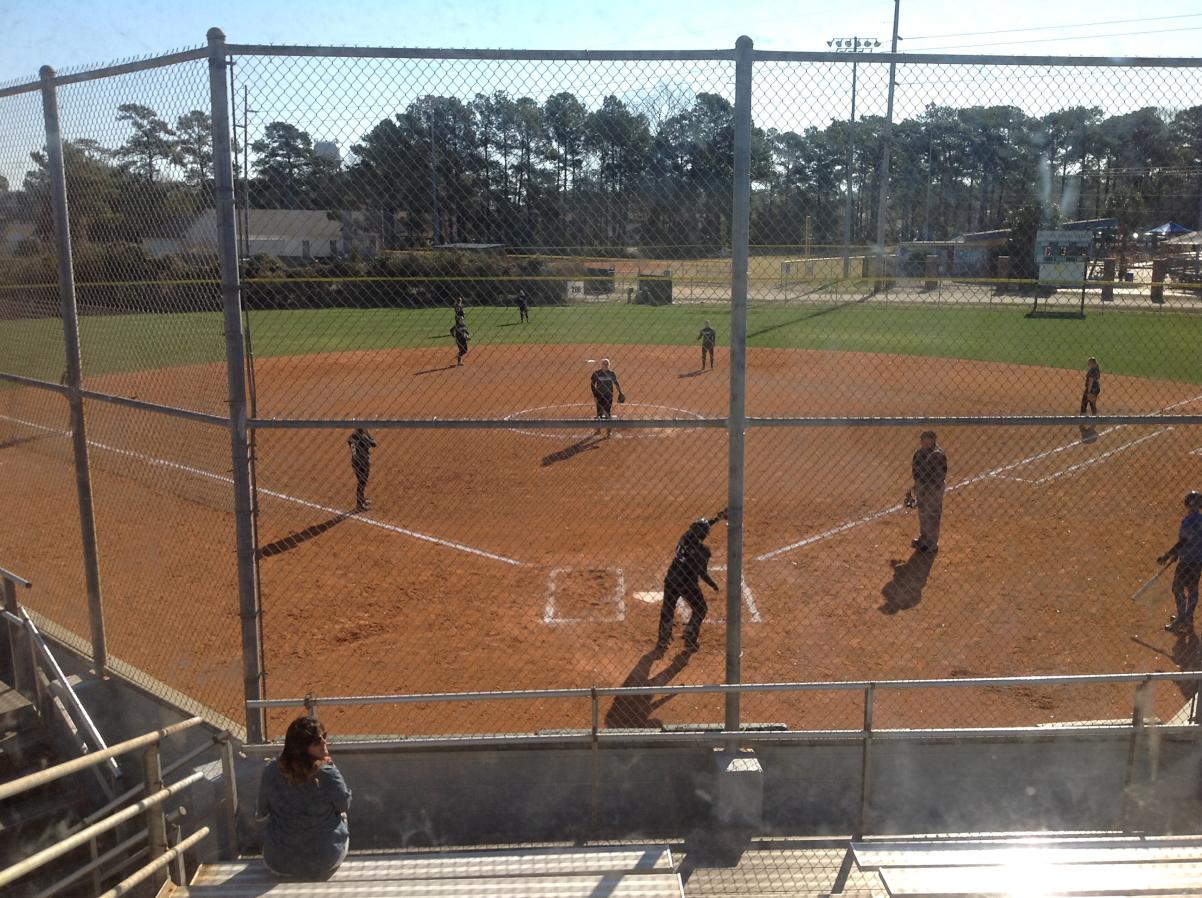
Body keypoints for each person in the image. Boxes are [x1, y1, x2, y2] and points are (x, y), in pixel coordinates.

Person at [256, 716, 351, 880]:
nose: (324, 743)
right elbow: (344, 805)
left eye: (324, 737)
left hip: (278, 862)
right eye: (316, 741)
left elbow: (261, 813)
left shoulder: (271, 770)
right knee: (342, 816)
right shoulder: (328, 773)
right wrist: (330, 766)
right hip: (323, 862)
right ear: (301, 747)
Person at [657, 509, 727, 652]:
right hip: (688, 583)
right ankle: (690, 635)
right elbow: (702, 573)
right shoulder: (703, 551)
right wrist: (713, 584)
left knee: (668, 607)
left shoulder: (686, 537)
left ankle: (664, 638)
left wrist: (716, 519)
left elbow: (700, 527)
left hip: (672, 578)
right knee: (701, 609)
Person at [1159, 490, 1202, 632]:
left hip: (1187, 561)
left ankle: (1181, 619)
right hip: (1197, 562)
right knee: (1193, 590)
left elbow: (1184, 541)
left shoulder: (1188, 521)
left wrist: (1168, 554)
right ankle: (1188, 617)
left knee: (1177, 588)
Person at [905, 430, 947, 553]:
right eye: (923, 439)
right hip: (922, 487)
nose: (924, 442)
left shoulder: (937, 454)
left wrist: (926, 487)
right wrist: (916, 485)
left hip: (934, 489)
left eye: (927, 440)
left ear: (933, 440)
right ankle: (924, 539)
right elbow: (916, 471)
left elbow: (939, 476)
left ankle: (932, 544)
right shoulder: (919, 454)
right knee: (923, 513)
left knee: (932, 515)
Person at [589, 358, 624, 438]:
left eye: (607, 364)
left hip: (608, 396)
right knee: (599, 413)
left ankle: (609, 432)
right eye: (604, 364)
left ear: (609, 365)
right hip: (599, 395)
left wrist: (620, 392)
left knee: (608, 413)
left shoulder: (611, 373)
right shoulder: (597, 373)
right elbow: (592, 384)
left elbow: (616, 383)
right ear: (601, 365)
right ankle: (598, 430)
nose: (605, 366)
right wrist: (595, 395)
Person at [347, 428, 376, 511]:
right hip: (363, 462)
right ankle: (359, 504)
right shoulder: (364, 438)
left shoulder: (352, 437)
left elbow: (350, 441)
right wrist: (368, 434)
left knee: (361, 482)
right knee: (362, 482)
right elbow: (374, 444)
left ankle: (361, 500)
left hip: (355, 462)